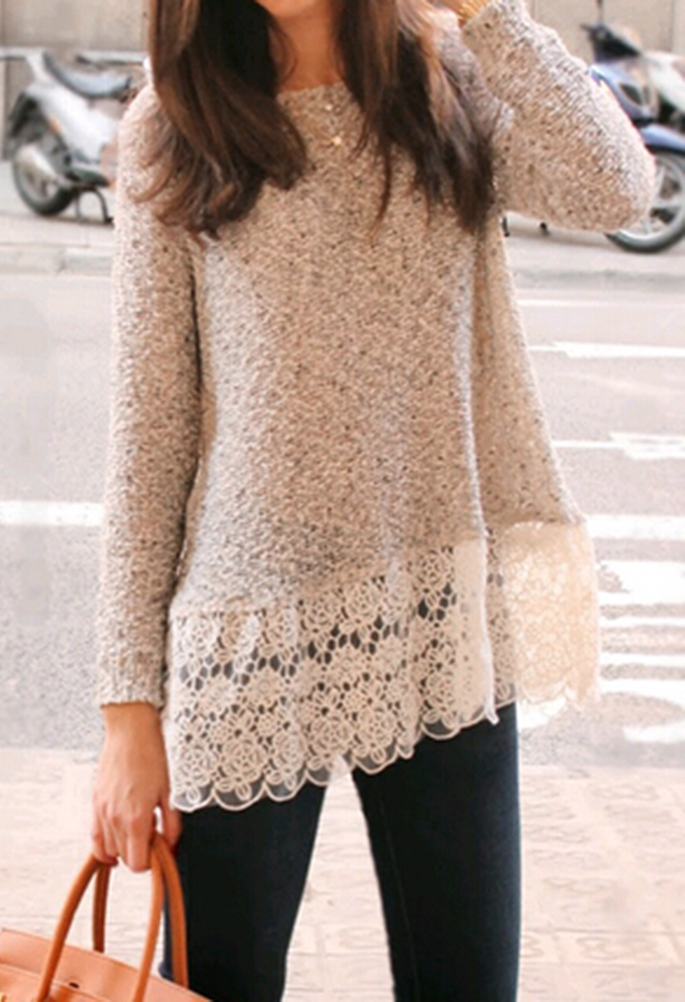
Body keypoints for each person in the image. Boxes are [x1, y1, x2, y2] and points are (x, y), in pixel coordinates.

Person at [90, 0, 655, 999]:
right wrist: (128, 716)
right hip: (249, 636)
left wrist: (489, 17)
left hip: (438, 612)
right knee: (216, 983)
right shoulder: (176, 124)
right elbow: (150, 431)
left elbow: (619, 187)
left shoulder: (448, 87)